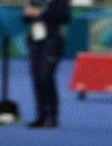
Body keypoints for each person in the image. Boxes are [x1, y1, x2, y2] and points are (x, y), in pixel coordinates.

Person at [23, 0, 70, 128]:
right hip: (36, 39)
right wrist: (28, 13)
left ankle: (52, 116)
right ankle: (41, 115)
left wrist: (41, 13)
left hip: (52, 40)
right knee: (37, 78)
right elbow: (28, 18)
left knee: (46, 76)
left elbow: (64, 17)